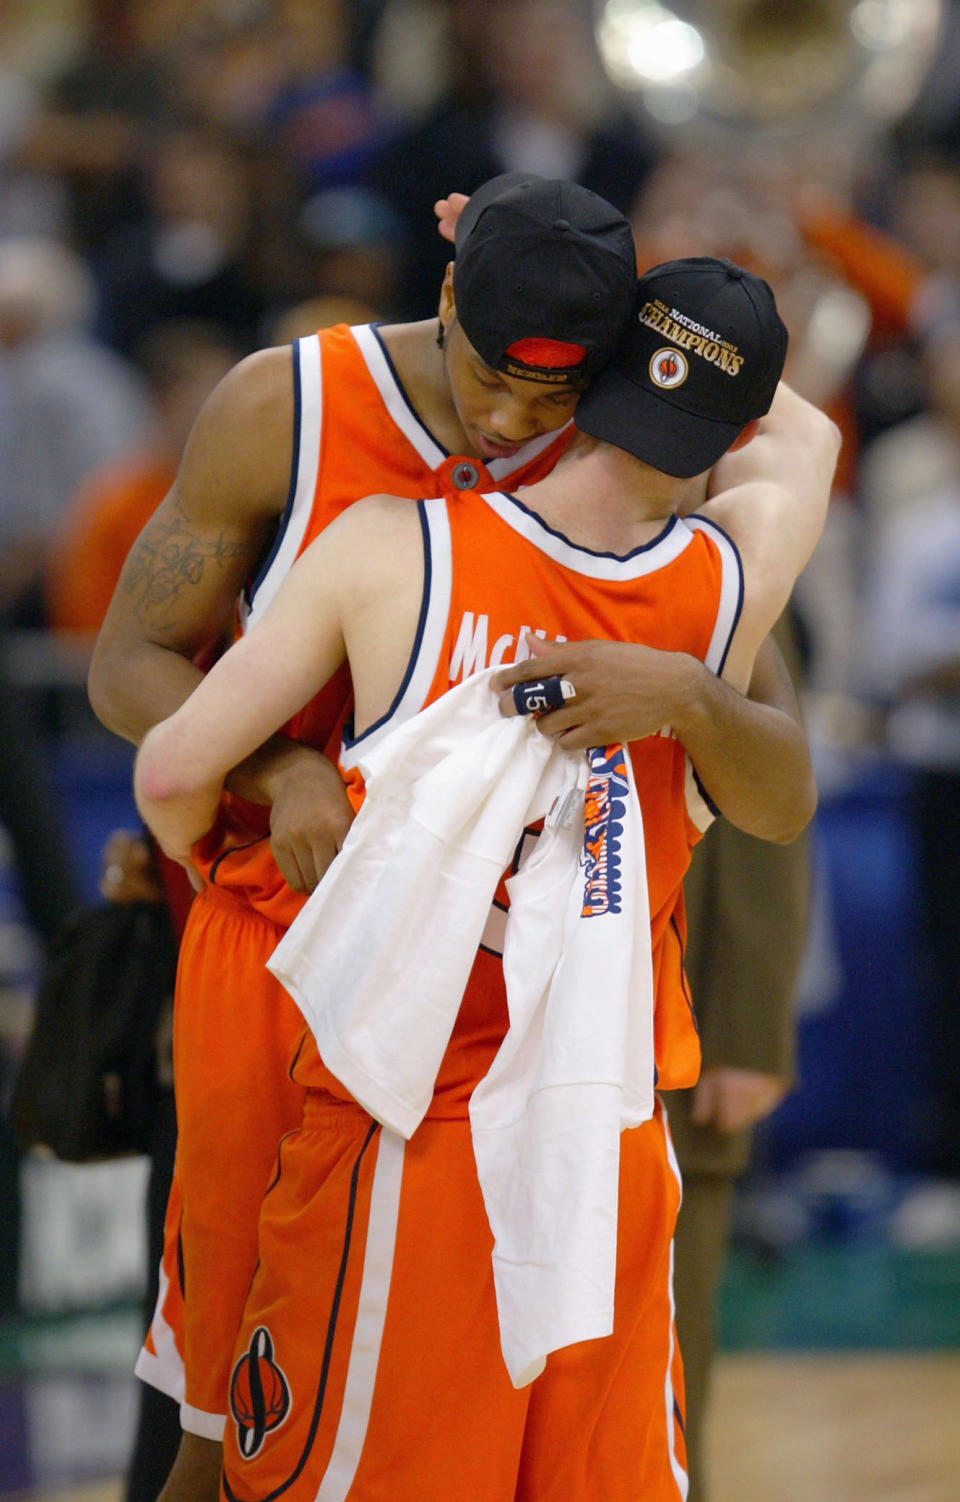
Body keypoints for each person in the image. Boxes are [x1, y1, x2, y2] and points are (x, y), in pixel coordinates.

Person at [133, 256, 839, 1500]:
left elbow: (170, 766)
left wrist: (225, 830)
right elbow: (809, 442)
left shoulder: (390, 548)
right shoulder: (724, 591)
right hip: (601, 1113)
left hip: (404, 1102)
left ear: (588, 369)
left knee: (269, 1448)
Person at [88, 170, 643, 1493]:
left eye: (547, 395)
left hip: (494, 995)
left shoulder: (630, 445)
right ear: (444, 292)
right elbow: (125, 659)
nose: (511, 415)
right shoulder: (282, 405)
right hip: (283, 941)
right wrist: (280, 766)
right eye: (487, 375)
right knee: (221, 1396)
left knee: (465, 1395)